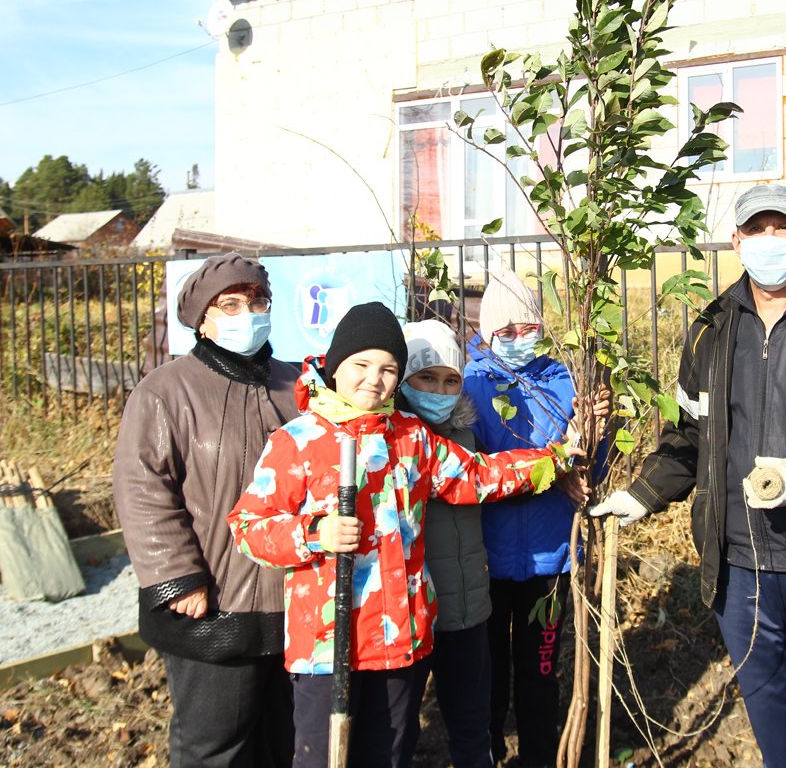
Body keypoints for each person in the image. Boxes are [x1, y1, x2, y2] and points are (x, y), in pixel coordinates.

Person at [589, 184, 786, 767]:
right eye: (757, 230)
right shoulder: (712, 333)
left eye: (783, 229)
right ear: (736, 242)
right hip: (740, 573)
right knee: (777, 739)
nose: (770, 241)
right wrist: (641, 494)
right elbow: (689, 438)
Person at [225, 302, 582, 768]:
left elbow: (476, 476)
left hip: (401, 642)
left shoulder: (410, 437)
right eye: (362, 365)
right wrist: (315, 532)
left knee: (389, 754)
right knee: (322, 758)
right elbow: (248, 528)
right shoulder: (298, 441)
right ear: (335, 366)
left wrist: (552, 460)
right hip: (329, 647)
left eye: (388, 369)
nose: (374, 379)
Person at [112, 251, 297, 768]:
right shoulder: (166, 391)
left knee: (287, 741)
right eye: (231, 304)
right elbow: (142, 486)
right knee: (214, 746)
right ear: (202, 318)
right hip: (215, 602)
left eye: (258, 301)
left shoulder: (299, 386)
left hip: (296, 604)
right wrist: (177, 576)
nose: (249, 313)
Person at [464, 266, 606, 768]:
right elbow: (469, 472)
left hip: (550, 556)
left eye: (529, 328)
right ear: (487, 333)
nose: (520, 339)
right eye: (506, 331)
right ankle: (489, 752)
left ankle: (541, 757)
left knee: (540, 668)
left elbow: (591, 462)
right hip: (486, 556)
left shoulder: (567, 381)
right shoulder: (469, 385)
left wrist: (596, 434)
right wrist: (549, 468)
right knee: (488, 672)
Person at [400, 319, 495, 768]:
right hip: (409, 616)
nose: (439, 390)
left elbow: (491, 480)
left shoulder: (465, 435)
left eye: (450, 380)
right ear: (404, 379)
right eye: (427, 377)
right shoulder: (388, 440)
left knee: (471, 727)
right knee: (397, 731)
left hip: (466, 611)